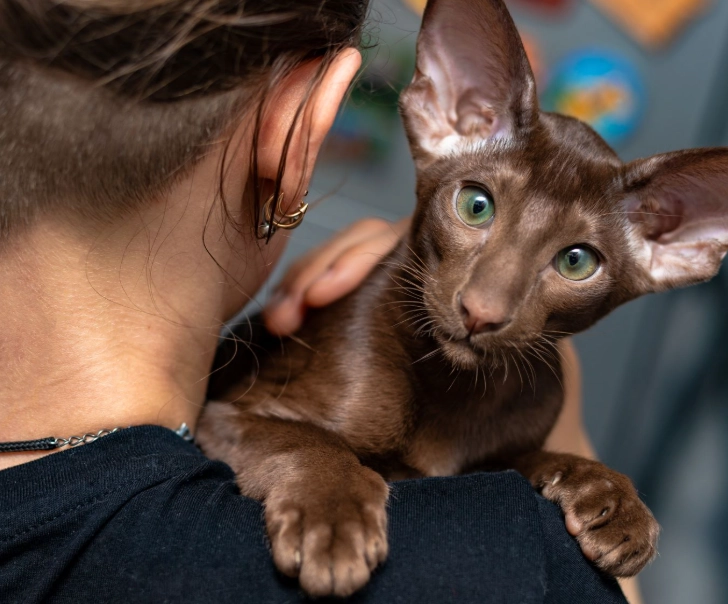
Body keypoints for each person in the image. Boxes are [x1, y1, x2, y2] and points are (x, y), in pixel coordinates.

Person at [0, 1, 635, 602]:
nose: (488, 302)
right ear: (300, 130)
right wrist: (570, 423)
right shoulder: (510, 562)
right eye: (477, 208)